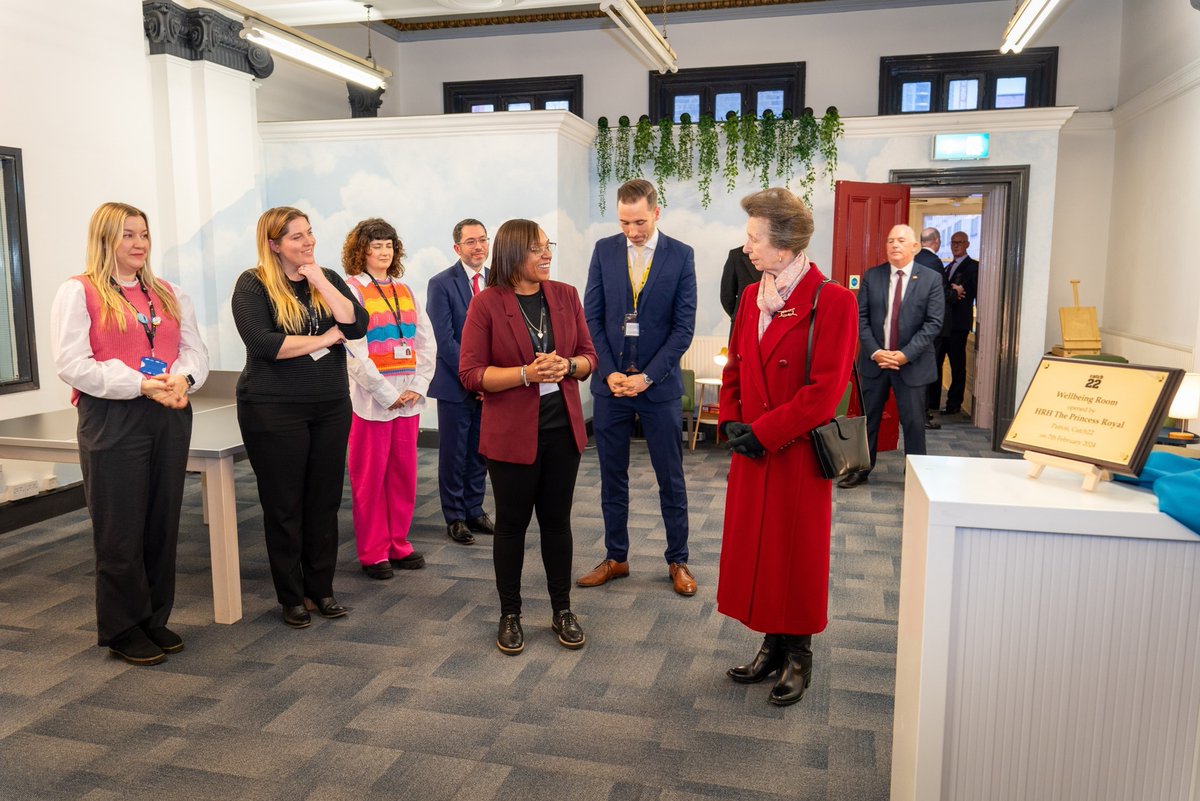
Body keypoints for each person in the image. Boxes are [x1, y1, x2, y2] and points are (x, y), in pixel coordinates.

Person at [50, 201, 209, 665]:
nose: (139, 244)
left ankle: (153, 619)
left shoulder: (170, 291)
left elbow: (195, 350)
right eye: (127, 235)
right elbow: (72, 364)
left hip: (169, 414)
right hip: (113, 418)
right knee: (120, 527)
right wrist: (139, 383)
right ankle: (122, 627)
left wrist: (184, 380)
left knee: (161, 522)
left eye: (143, 234)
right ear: (105, 240)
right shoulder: (78, 292)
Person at [718, 187, 857, 706]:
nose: (747, 246)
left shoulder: (834, 300)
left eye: (754, 237)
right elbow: (735, 364)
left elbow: (826, 392)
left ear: (784, 243)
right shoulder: (754, 294)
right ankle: (771, 644)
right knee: (759, 551)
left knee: (795, 554)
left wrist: (767, 431)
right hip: (754, 449)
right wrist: (732, 421)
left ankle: (799, 654)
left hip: (794, 451)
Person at [459, 219, 597, 655]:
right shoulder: (487, 303)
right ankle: (511, 614)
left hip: (563, 429)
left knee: (557, 523)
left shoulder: (565, 296)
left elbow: (589, 356)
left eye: (547, 246)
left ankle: (562, 610)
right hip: (511, 434)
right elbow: (471, 374)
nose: (546, 255)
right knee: (512, 527)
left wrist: (568, 367)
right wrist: (526, 374)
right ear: (513, 253)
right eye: (537, 248)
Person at [231, 206, 369, 628]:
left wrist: (320, 279)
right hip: (273, 408)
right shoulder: (253, 284)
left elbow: (357, 324)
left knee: (324, 502)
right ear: (274, 244)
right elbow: (264, 344)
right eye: (296, 237)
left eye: (309, 234)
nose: (307, 242)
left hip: (329, 405)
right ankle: (291, 597)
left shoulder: (324, 276)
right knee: (285, 504)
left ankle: (320, 590)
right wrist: (327, 336)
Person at [578, 178, 698, 596]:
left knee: (671, 477)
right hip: (610, 387)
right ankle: (617, 557)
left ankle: (678, 559)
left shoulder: (680, 256)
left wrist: (646, 377)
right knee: (612, 477)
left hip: (658, 387)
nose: (632, 231)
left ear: (657, 212)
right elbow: (591, 318)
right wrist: (610, 372)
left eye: (640, 221)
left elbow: (683, 329)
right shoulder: (604, 251)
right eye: (625, 222)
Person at [341, 218, 434, 580]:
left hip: (408, 400)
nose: (383, 252)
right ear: (360, 250)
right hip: (370, 402)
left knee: (402, 476)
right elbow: (353, 350)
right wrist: (385, 393)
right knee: (370, 478)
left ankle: (398, 543)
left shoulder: (406, 291)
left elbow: (426, 343)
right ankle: (373, 551)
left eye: (389, 245)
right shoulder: (351, 290)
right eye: (375, 245)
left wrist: (418, 387)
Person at [838, 224, 944, 489]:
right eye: (889, 241)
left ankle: (917, 476)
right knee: (868, 419)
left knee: (913, 422)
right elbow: (860, 319)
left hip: (912, 364)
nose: (894, 245)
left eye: (900, 240)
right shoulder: (872, 277)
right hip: (875, 363)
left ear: (915, 247)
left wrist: (904, 355)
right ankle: (860, 469)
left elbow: (933, 323)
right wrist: (876, 352)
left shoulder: (931, 279)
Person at [427, 219, 495, 546]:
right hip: (456, 385)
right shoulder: (441, 284)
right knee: (454, 454)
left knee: (480, 451)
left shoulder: (498, 282)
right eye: (470, 242)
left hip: (491, 384)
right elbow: (446, 340)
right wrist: (475, 378)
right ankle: (454, 516)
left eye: (482, 240)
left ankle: (474, 509)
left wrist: (491, 379)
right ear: (457, 248)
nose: (478, 246)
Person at [938, 232, 979, 415]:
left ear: (967, 244)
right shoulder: (947, 268)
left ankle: (954, 404)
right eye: (953, 242)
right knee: (937, 363)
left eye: (959, 243)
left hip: (959, 325)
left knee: (957, 365)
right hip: (943, 325)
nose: (955, 246)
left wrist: (959, 292)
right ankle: (933, 401)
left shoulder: (974, 267)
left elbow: (975, 294)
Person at [917, 227, 949, 430]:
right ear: (936, 241)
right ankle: (924, 413)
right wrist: (955, 292)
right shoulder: (935, 263)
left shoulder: (913, 260)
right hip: (931, 327)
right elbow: (940, 294)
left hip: (913, 326)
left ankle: (915, 412)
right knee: (929, 370)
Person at [719, 246, 758, 337]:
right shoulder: (736, 255)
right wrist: (741, 316)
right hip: (743, 328)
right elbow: (727, 296)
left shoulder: (787, 254)